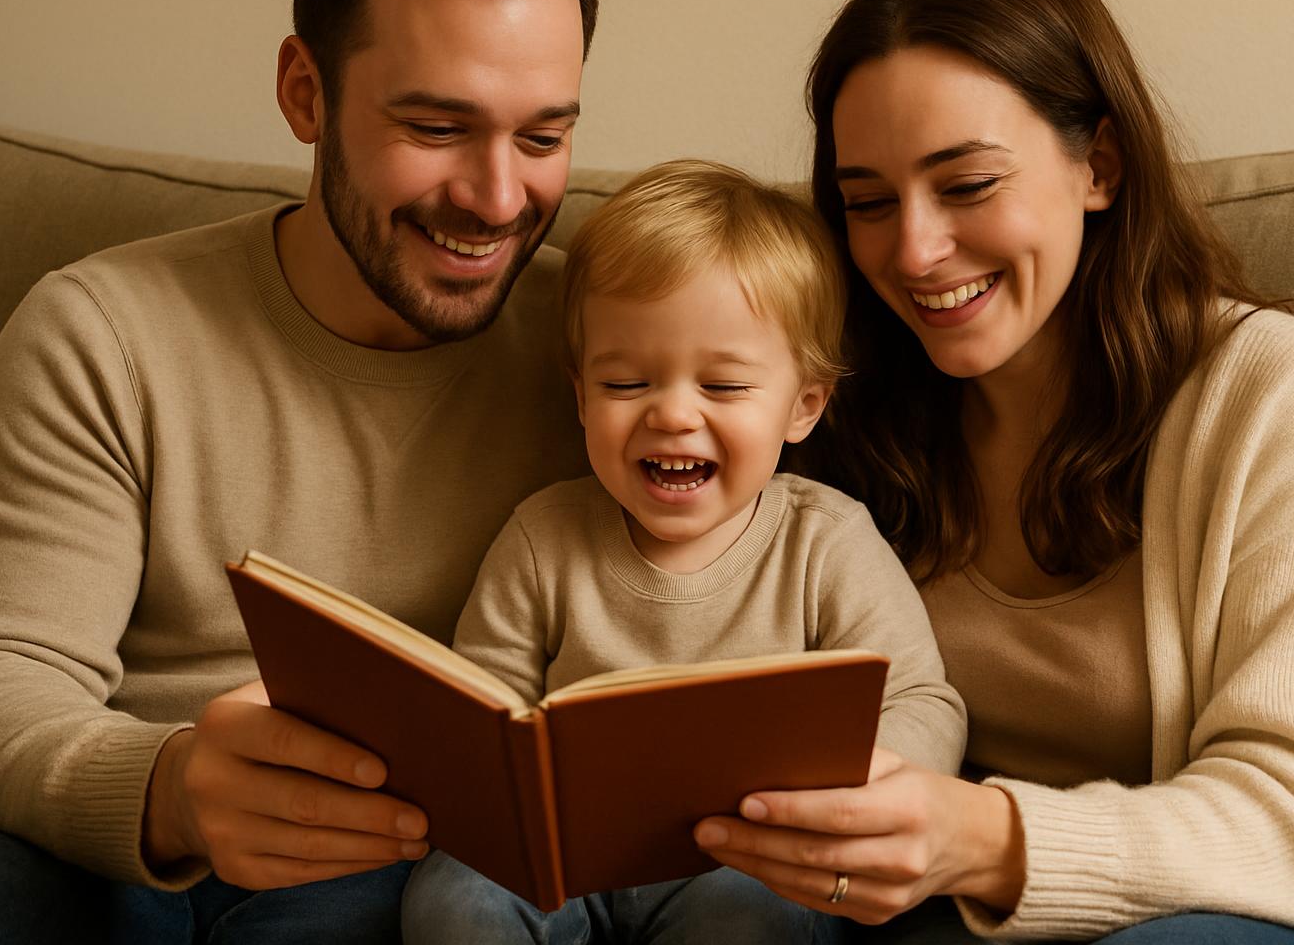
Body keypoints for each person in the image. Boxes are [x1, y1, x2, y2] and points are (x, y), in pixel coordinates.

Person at [691, 0, 1294, 945]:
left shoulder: (1290, 400)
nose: (913, 250)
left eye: (965, 185)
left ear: (1099, 165)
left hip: (1272, 921)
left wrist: (985, 835)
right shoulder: (845, 416)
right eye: (867, 202)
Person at [0, 0, 599, 941]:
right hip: (105, 856)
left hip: (397, 880)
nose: (500, 198)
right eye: (435, 127)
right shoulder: (102, 331)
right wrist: (175, 787)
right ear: (304, 92)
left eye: (543, 138)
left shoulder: (613, 355)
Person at [399, 159, 968, 944]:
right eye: (627, 384)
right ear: (580, 394)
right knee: (453, 899)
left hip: (750, 862)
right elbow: (484, 710)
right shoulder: (543, 538)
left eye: (724, 387)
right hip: (565, 859)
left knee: (746, 916)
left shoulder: (826, 540)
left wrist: (875, 781)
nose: (672, 416)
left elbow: (923, 700)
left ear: (803, 405)